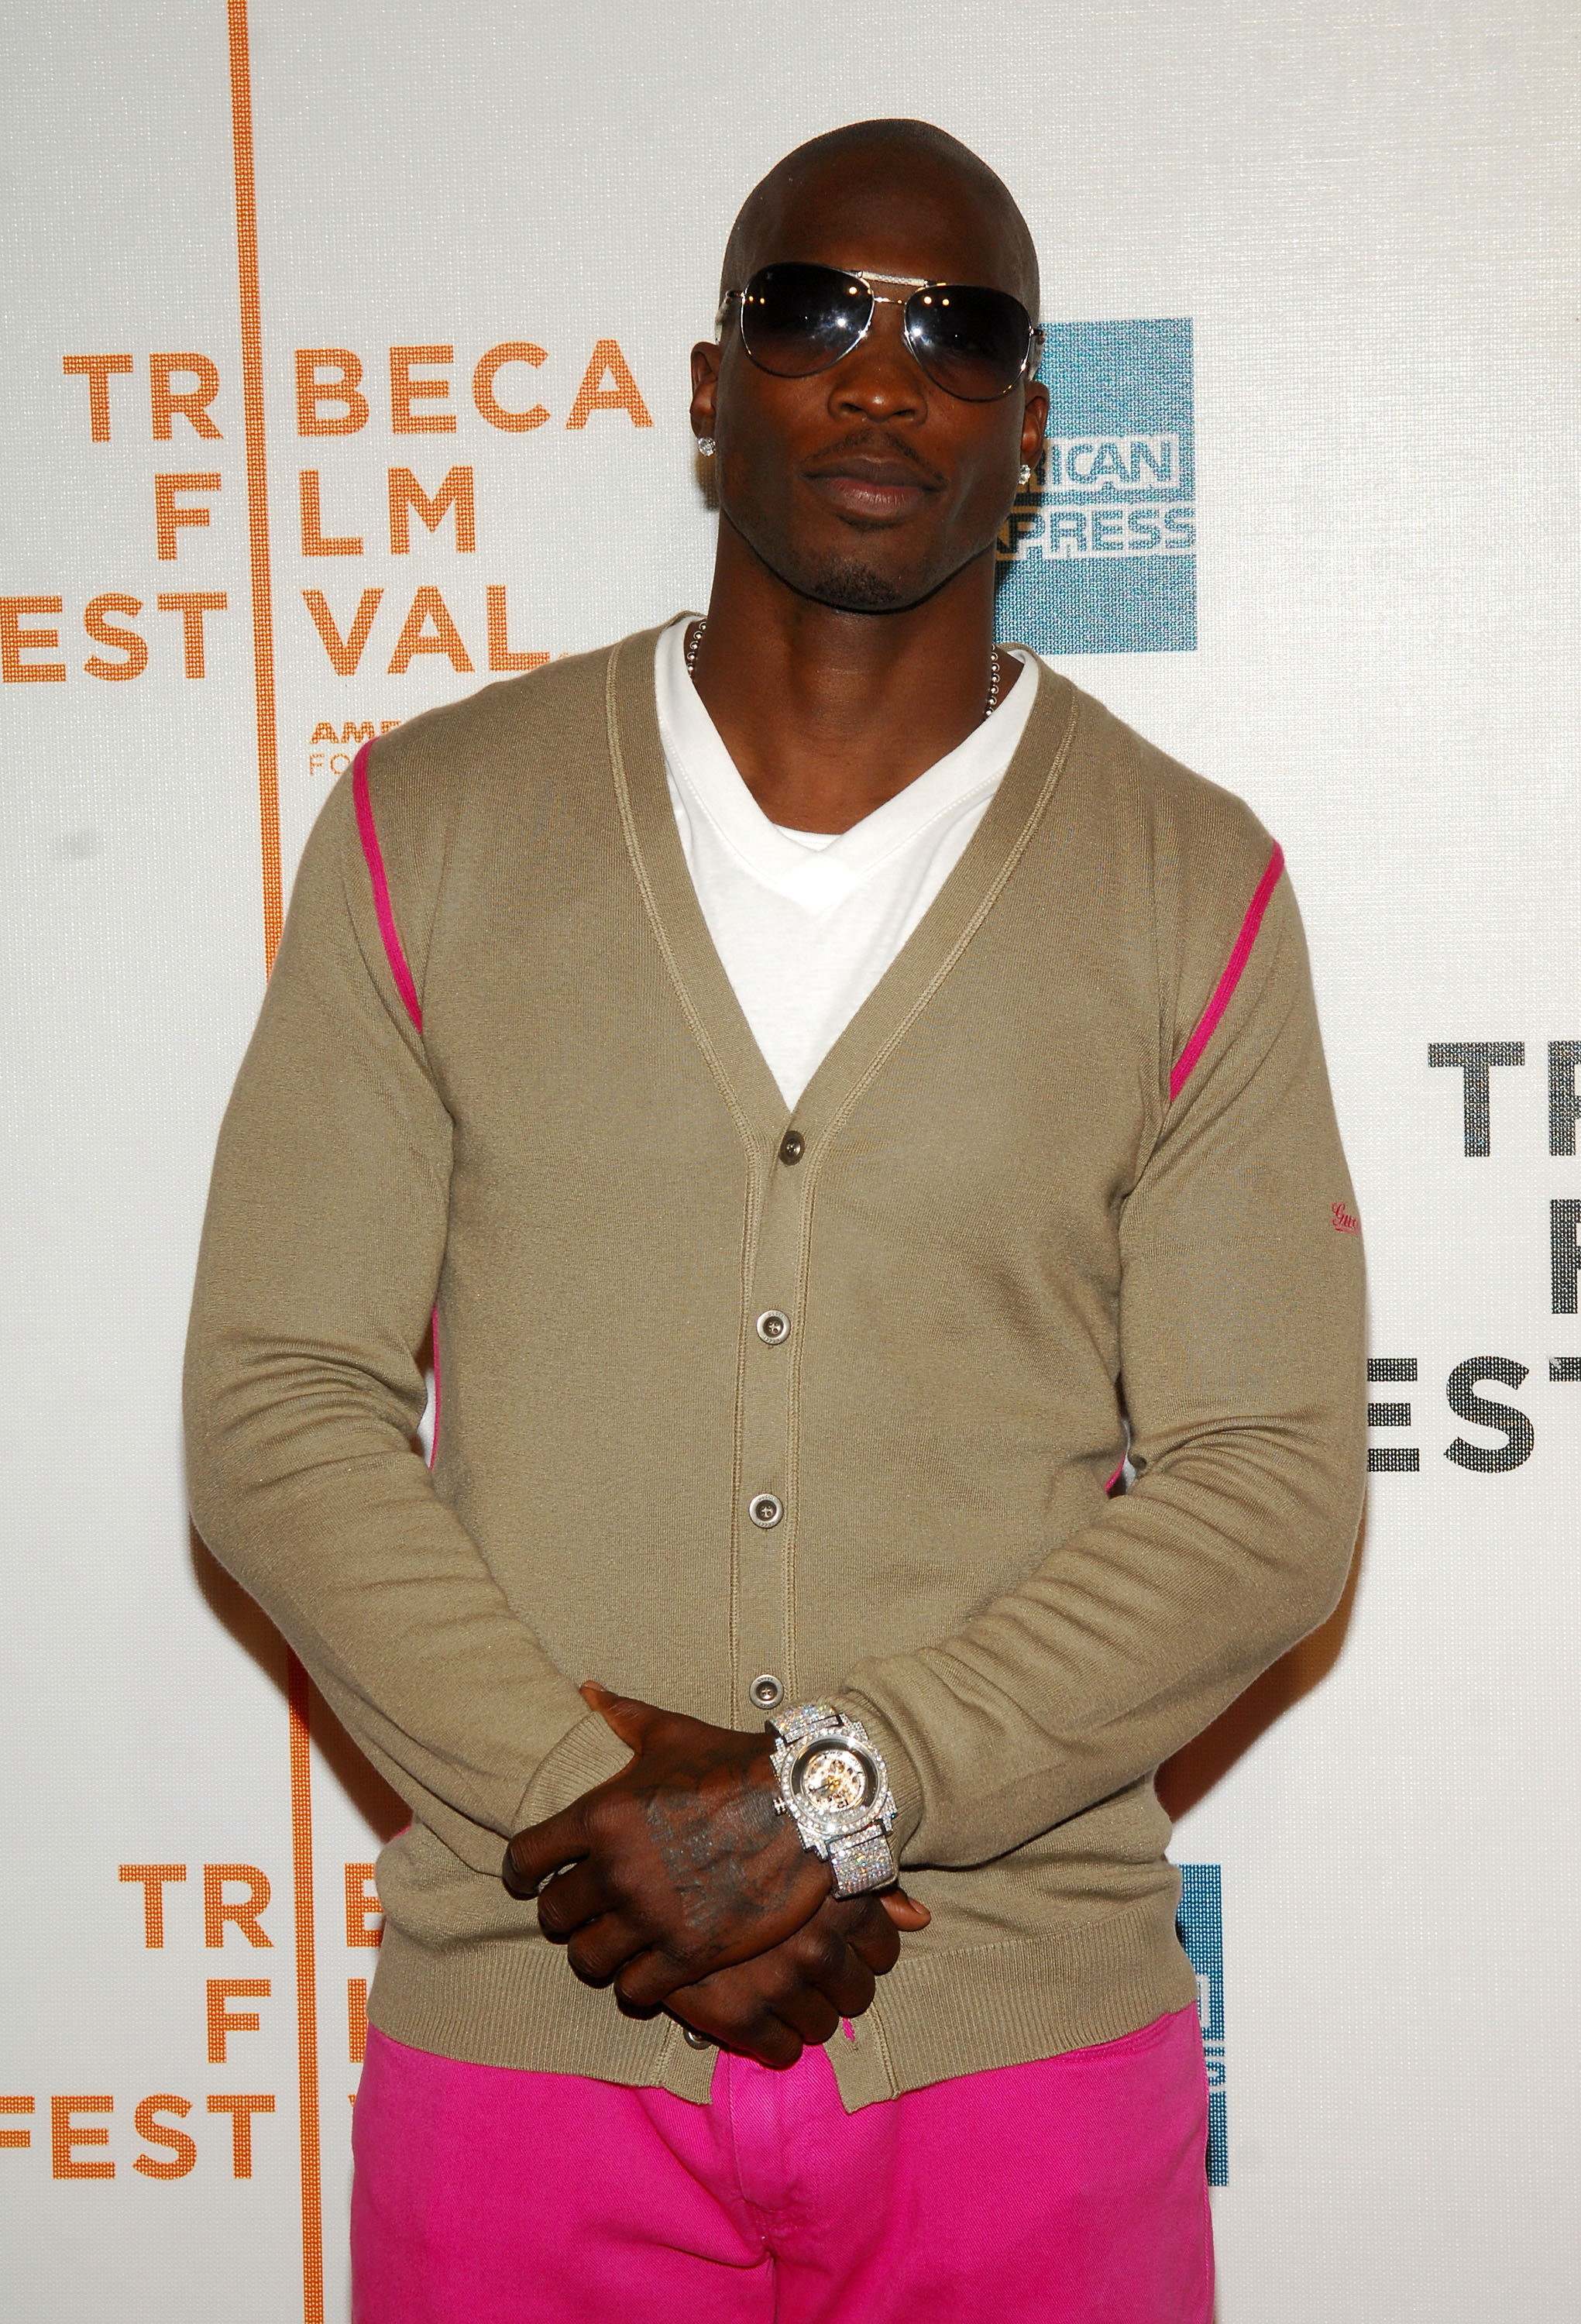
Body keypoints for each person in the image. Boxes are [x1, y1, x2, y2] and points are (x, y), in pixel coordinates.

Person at [185, 116, 1365, 2323]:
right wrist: (595, 1809)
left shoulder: (1187, 882)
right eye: (814, 310)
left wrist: (835, 1790)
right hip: (528, 2021)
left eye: (960, 332)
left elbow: (1269, 1490)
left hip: (1015, 2042)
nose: (882, 374)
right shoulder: (426, 824)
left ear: (1026, 434)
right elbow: (277, 1403)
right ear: (713, 386)